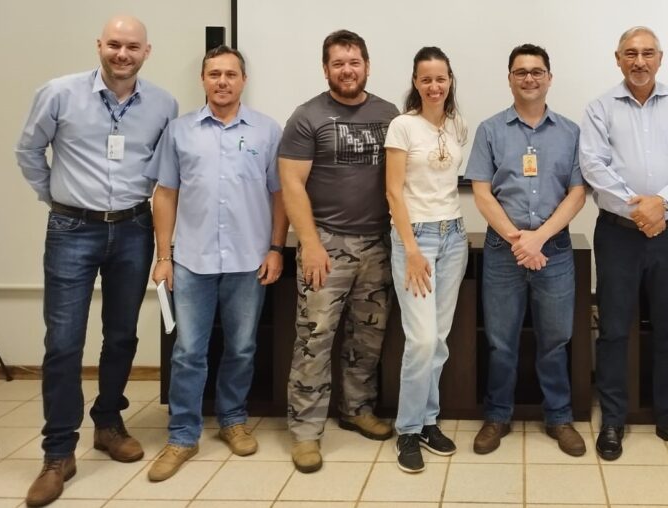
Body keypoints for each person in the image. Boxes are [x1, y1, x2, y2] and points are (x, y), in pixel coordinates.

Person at [15, 15, 177, 507]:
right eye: (114, 45)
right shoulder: (59, 93)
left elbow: (167, 173)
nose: (122, 54)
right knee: (63, 343)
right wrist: (58, 201)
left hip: (133, 228)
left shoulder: (164, 104)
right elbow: (28, 152)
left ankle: (108, 421)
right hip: (71, 229)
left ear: (147, 51)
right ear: (99, 46)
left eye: (132, 46)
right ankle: (58, 452)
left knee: (123, 334)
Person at [143, 46, 287, 481]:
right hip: (191, 260)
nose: (222, 81)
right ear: (203, 81)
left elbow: (281, 194)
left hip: (249, 260)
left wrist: (276, 248)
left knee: (242, 347)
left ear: (243, 80)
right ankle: (183, 435)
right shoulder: (179, 131)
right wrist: (163, 257)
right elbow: (165, 195)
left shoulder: (266, 131)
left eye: (230, 74)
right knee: (189, 351)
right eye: (214, 74)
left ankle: (232, 420)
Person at [579, 26, 668, 461]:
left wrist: (663, 203)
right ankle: (613, 421)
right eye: (630, 54)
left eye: (647, 53)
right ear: (617, 59)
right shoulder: (600, 108)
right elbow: (593, 166)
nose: (639, 61)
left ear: (660, 58)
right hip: (618, 233)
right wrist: (641, 210)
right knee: (614, 330)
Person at [279, 29, 399, 474]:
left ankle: (356, 409)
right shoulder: (307, 116)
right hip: (325, 243)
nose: (347, 70)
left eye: (354, 62)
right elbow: (291, 183)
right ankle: (306, 433)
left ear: (367, 64)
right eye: (338, 63)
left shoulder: (388, 114)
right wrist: (308, 244)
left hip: (377, 243)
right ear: (325, 68)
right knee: (314, 339)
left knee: (367, 336)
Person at [465, 44, 588, 457]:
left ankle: (559, 417)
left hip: (553, 248)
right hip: (504, 250)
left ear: (550, 78)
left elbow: (577, 194)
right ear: (510, 78)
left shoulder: (571, 132)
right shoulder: (490, 129)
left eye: (537, 71)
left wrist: (538, 238)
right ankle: (497, 416)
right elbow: (481, 192)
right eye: (521, 72)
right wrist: (520, 240)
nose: (529, 78)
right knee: (501, 340)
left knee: (556, 340)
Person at [385, 46, 469, 474]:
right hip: (415, 238)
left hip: (454, 235)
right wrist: (413, 251)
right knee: (419, 340)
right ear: (415, 83)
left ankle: (429, 420)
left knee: (438, 339)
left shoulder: (458, 125)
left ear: (450, 79)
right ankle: (407, 430)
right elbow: (393, 192)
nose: (434, 86)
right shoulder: (402, 127)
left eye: (441, 78)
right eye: (425, 79)